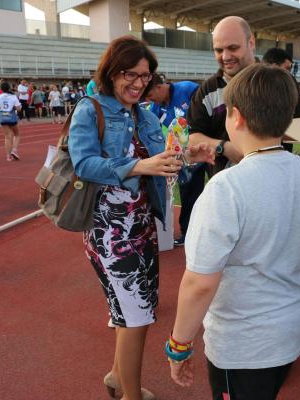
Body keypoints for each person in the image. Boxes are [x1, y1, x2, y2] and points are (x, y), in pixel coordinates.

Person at [167, 63, 300, 400]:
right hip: (292, 330)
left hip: (242, 343)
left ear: (235, 117)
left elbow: (199, 282)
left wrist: (178, 344)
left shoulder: (226, 187)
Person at [67, 35, 214, 400]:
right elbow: (83, 164)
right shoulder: (90, 109)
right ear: (111, 72)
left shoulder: (144, 115)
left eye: (145, 76)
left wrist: (188, 157)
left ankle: (118, 378)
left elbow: (163, 161)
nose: (137, 82)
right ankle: (131, 396)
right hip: (109, 233)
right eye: (129, 74)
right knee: (138, 319)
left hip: (142, 229)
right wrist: (139, 165)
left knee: (126, 314)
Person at [186, 16, 255, 176]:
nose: (225, 56)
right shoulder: (207, 90)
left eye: (233, 48)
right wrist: (224, 147)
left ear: (251, 43)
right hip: (227, 189)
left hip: (273, 185)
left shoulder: (277, 81)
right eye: (219, 50)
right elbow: (191, 137)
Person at [143, 74, 201, 246]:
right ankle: (188, 233)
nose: (150, 101)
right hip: (184, 155)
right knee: (188, 192)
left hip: (207, 147)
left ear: (159, 87)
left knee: (216, 189)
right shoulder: (156, 107)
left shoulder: (188, 89)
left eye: (150, 96)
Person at [0, 81, 22, 161]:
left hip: (3, 117)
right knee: (16, 134)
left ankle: (8, 156)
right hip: (12, 117)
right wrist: (13, 107)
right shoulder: (13, 96)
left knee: (7, 137)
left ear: (1, 88)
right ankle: (14, 150)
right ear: (9, 88)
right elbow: (18, 108)